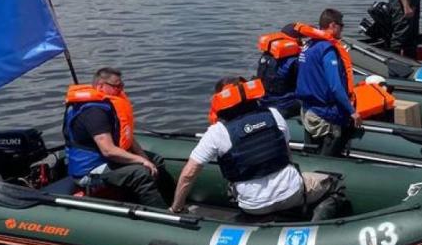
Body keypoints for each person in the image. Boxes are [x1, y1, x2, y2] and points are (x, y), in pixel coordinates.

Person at [170, 77, 340, 219]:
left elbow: (188, 174)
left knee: (233, 182)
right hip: (292, 193)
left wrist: (177, 207)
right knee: (335, 185)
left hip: (253, 206)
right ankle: (314, 227)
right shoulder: (273, 114)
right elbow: (286, 155)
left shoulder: (217, 133)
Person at [63, 67, 173, 208]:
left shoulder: (108, 104)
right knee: (140, 173)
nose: (121, 89)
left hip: (109, 159)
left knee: (156, 160)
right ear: (101, 86)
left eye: (122, 85)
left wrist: (143, 156)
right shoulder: (94, 112)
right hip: (91, 169)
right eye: (116, 86)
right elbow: (108, 151)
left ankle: (173, 205)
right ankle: (162, 216)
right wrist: (140, 161)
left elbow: (127, 136)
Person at [295, 9, 362, 157]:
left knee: (312, 152)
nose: (342, 28)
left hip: (307, 110)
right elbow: (335, 86)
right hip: (324, 115)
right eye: (341, 25)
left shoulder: (308, 46)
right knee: (328, 157)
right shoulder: (327, 49)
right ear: (332, 25)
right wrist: (352, 112)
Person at [256, 23, 303, 117]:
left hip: (264, 101)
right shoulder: (293, 61)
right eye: (301, 39)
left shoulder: (266, 55)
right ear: (296, 39)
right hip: (285, 105)